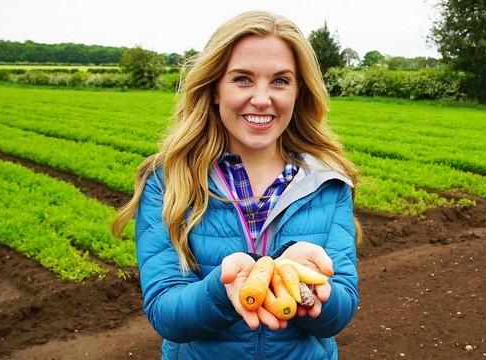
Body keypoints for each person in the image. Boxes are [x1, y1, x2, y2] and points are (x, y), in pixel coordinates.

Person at [112, 10, 361, 360]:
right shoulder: (169, 183)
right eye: (242, 79)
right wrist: (222, 290)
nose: (262, 98)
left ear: (298, 91)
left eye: (280, 81)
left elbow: (342, 308)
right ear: (215, 89)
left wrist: (309, 286)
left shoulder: (327, 182)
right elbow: (164, 311)